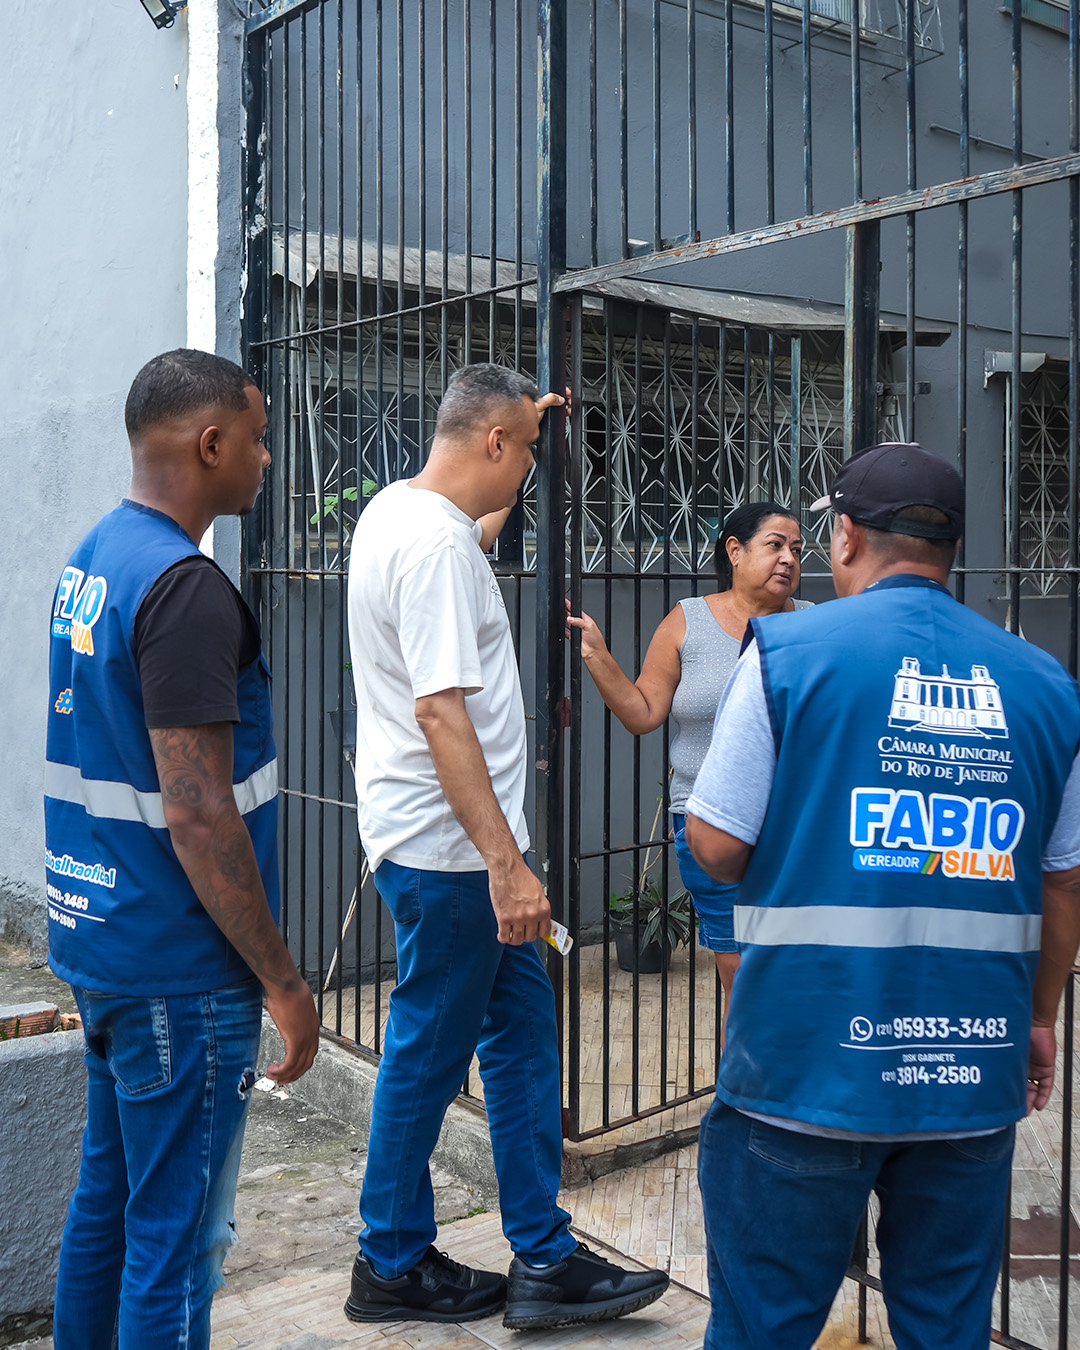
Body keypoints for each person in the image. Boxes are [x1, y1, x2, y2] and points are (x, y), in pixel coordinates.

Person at [684, 442, 1080, 1350]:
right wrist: (1039, 1017)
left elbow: (716, 846)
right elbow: (1063, 879)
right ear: (951, 550)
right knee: (946, 1328)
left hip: (804, 1065)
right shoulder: (1045, 684)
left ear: (847, 537)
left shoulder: (785, 652)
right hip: (970, 1071)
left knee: (762, 1328)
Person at [344, 362, 669, 1329]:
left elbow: (477, 531)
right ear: (493, 443)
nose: (532, 467)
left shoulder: (401, 514)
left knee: (521, 1037)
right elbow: (442, 712)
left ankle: (543, 1255)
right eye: (526, 450)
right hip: (452, 858)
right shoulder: (435, 552)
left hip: (441, 845)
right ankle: (390, 1261)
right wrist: (507, 864)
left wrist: (539, 418)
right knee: (427, 1055)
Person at [45, 349, 320, 1350]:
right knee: (177, 1243)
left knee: (110, 1208)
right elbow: (200, 815)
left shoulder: (96, 557)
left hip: (104, 941)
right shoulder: (185, 589)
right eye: (257, 437)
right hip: (179, 970)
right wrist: (282, 980)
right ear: (211, 444)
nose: (267, 457)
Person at [567, 501, 810, 1018]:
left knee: (795, 967)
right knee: (739, 974)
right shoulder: (688, 620)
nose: (789, 558)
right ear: (734, 551)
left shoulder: (814, 625)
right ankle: (744, 1069)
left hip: (798, 827)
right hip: (710, 823)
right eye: (775, 545)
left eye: (797, 549)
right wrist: (596, 653)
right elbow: (643, 713)